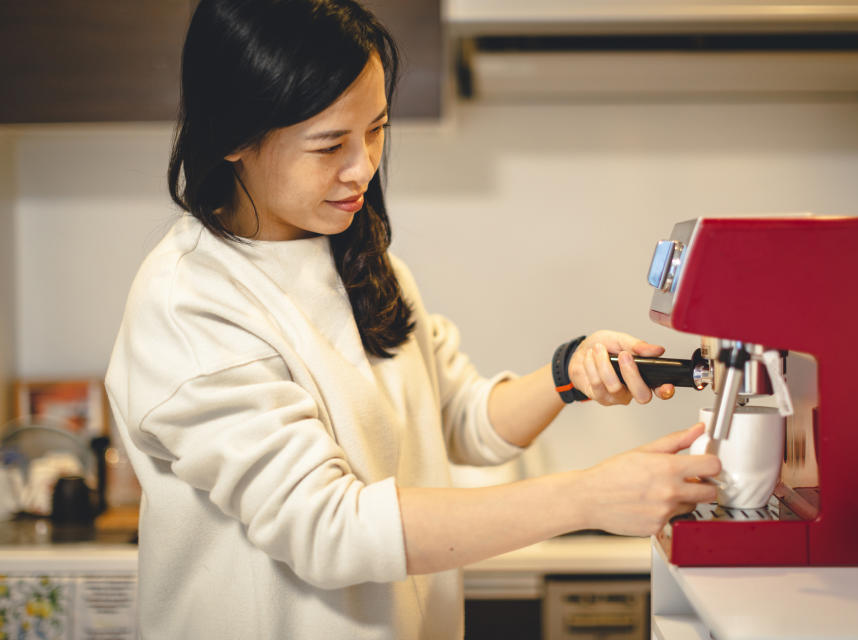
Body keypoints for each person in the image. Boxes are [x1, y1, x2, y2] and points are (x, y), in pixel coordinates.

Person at [104, 1, 721, 638]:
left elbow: (460, 421)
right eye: (330, 144)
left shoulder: (358, 256)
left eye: (375, 130)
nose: (363, 167)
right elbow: (328, 529)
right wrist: (586, 497)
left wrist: (570, 372)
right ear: (234, 136)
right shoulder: (191, 302)